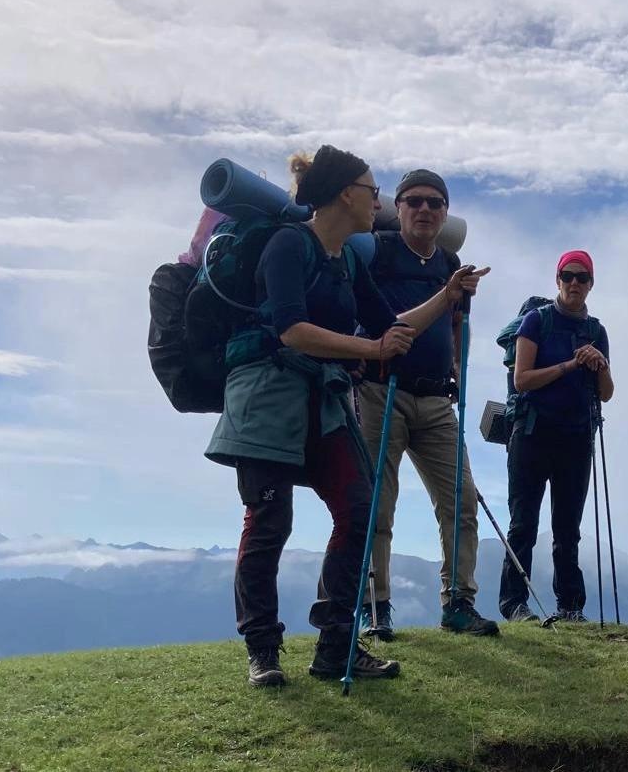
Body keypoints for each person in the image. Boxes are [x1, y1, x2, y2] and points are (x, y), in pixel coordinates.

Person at [204, 146, 482, 687]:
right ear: (343, 195)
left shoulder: (347, 259)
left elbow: (390, 325)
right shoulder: (289, 245)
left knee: (358, 507)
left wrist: (447, 297)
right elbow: (291, 330)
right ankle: (263, 648)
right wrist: (370, 351)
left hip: (321, 399)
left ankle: (337, 646)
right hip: (266, 398)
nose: (376, 201)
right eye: (372, 190)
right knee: (270, 523)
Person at [357, 169, 499, 638]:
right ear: (395, 208)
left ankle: (459, 602)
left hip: (436, 395)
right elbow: (388, 324)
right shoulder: (375, 252)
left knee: (460, 502)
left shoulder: (448, 260)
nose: (424, 209)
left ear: (444, 213)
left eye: (435, 203)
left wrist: (456, 363)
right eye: (414, 201)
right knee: (378, 503)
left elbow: (455, 322)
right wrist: (448, 295)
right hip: (381, 388)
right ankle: (376, 608)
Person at [498, 250, 613, 623]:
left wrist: (599, 364)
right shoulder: (535, 321)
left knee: (568, 527)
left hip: (576, 437)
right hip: (532, 432)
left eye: (582, 277)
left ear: (591, 283)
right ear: (557, 280)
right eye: (568, 276)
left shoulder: (596, 332)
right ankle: (514, 603)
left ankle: (570, 607)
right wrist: (570, 365)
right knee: (524, 522)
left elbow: (607, 392)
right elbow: (522, 380)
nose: (575, 283)